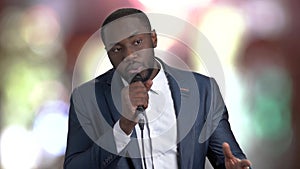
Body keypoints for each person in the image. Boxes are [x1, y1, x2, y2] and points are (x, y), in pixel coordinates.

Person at [64, 8, 252, 169]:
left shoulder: (203, 90)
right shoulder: (86, 97)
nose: (129, 55)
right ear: (108, 53)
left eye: (137, 42)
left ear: (153, 39)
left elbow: (230, 157)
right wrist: (123, 128)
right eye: (117, 49)